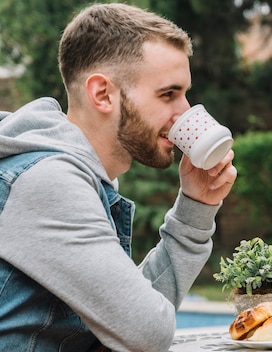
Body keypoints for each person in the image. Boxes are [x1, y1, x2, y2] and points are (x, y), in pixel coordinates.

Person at [0, 3, 236, 352]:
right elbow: (147, 333)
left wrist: (196, 207)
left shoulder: (80, 174)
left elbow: (128, 321)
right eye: (168, 94)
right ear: (102, 94)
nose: (185, 112)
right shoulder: (51, 182)